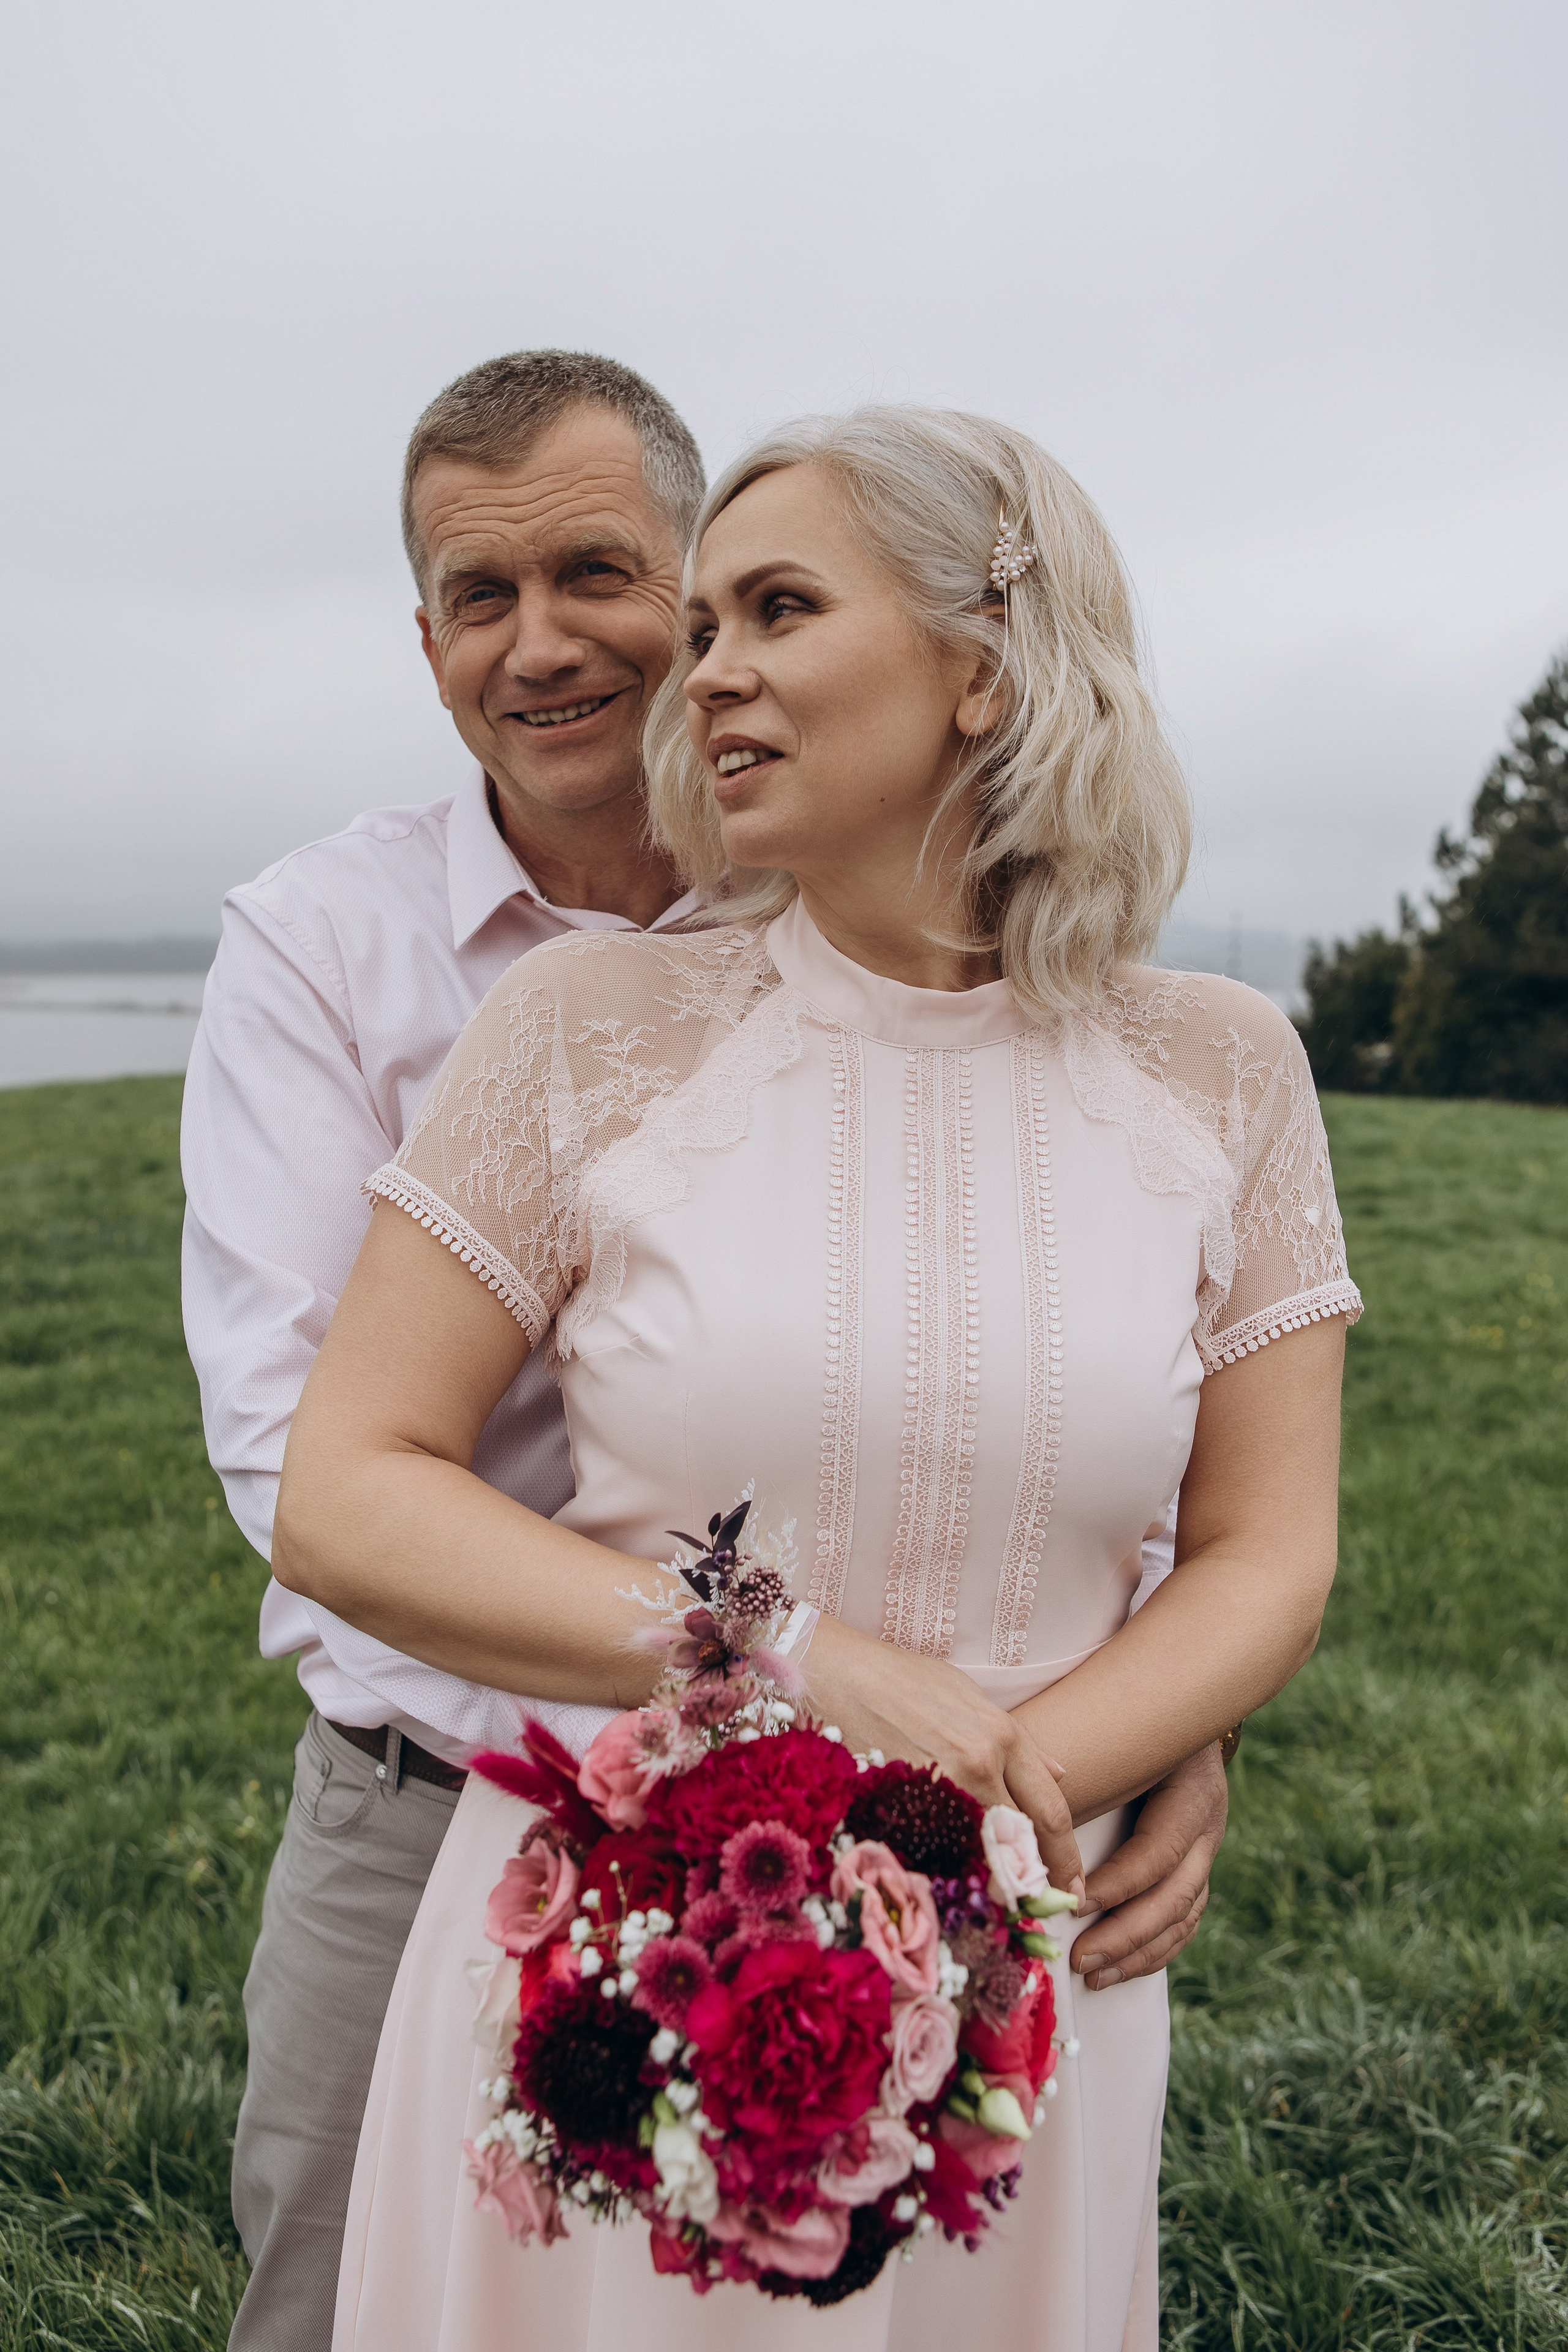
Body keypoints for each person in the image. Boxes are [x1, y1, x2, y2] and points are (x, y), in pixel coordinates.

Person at [272, 405, 1361, 2351]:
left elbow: (1267, 1550)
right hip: (629, 1975)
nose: (709, 675)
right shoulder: (591, 1030)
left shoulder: (1224, 1073)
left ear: (986, 663)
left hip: (1041, 1967)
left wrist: (1036, 1790)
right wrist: (783, 1658)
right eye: (702, 625)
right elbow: (347, 1487)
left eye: (776, 609)